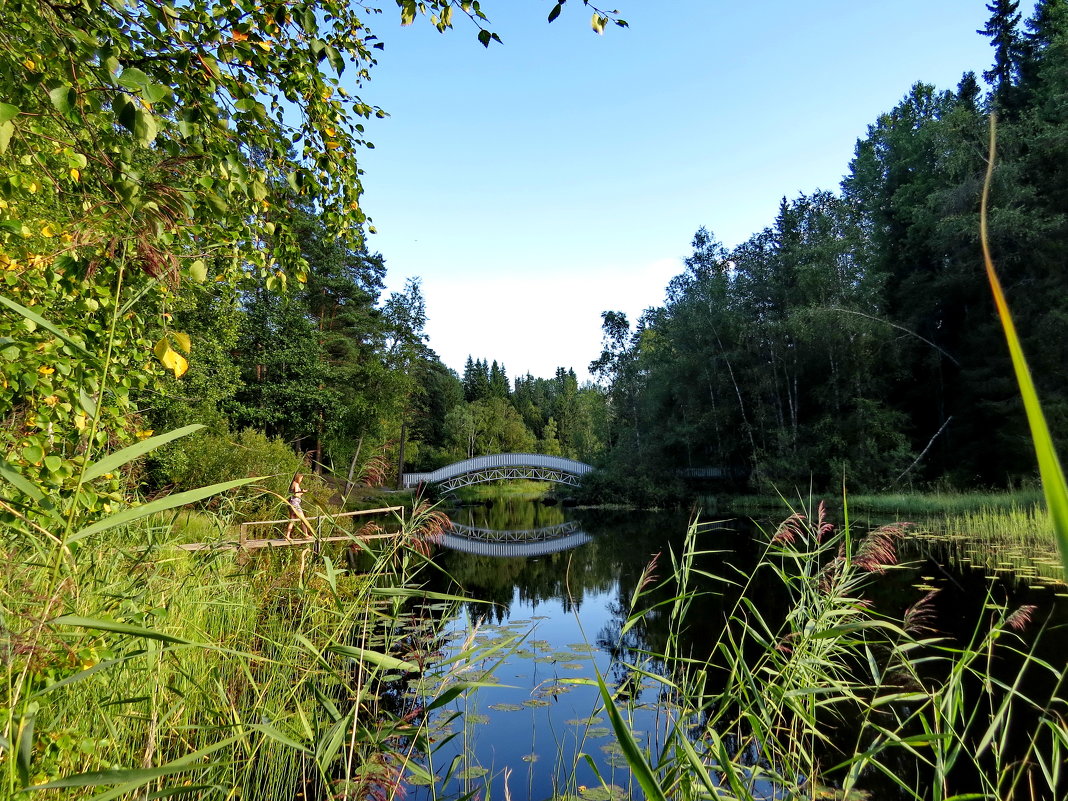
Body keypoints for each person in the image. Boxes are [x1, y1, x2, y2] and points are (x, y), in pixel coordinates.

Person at [284, 472, 310, 539]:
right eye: (301, 478)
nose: (301, 480)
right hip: (295, 504)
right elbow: (296, 495)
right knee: (303, 519)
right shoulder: (296, 484)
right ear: (298, 478)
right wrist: (302, 492)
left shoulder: (293, 484)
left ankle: (287, 535)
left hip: (291, 503)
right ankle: (306, 534)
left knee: (292, 520)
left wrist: (301, 491)